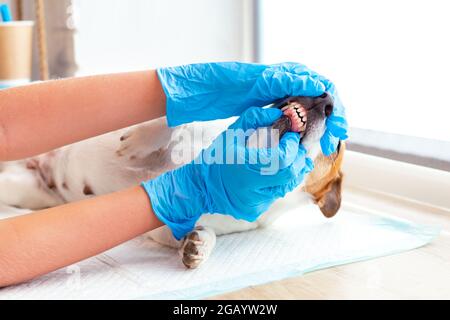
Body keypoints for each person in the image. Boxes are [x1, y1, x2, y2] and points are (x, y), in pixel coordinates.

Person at [0, 62, 347, 287]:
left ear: (325, 193)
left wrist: (193, 218)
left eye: (333, 148)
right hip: (65, 141)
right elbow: (180, 136)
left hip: (51, 191)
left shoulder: (247, 212)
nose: (325, 110)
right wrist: (176, 103)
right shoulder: (231, 145)